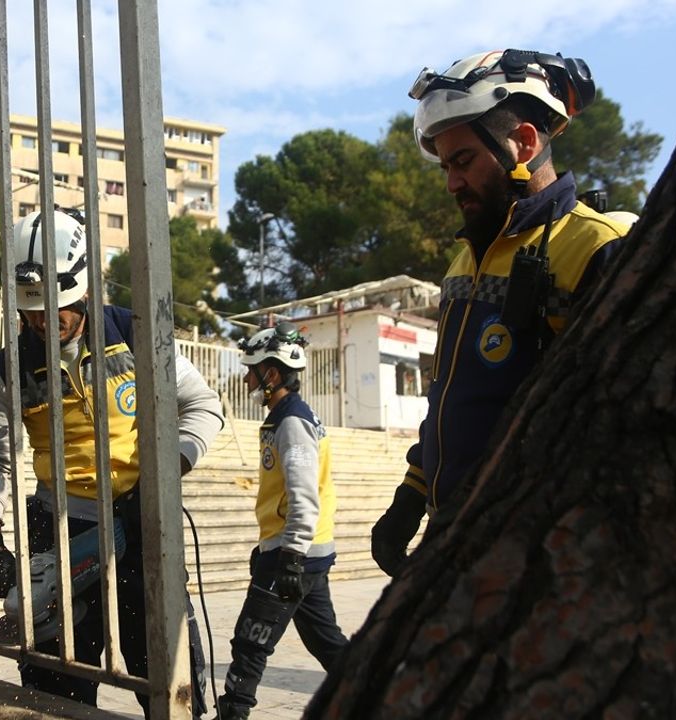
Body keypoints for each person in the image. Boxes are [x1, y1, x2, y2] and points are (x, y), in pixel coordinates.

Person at [371, 49, 630, 576]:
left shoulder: (598, 247)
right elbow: (451, 393)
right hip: (455, 536)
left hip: (538, 550)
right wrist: (412, 493)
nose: (451, 183)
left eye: (463, 161)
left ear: (526, 143)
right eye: (445, 167)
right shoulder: (463, 259)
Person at [0, 208, 224, 717]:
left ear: (82, 287)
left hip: (140, 525)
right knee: (51, 689)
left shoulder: (136, 332)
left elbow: (203, 406)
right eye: (28, 311)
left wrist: (163, 477)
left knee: (169, 683)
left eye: (53, 308)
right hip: (57, 530)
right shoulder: (7, 369)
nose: (40, 321)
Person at [214, 322, 347, 720]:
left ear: (271, 374)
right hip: (304, 552)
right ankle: (379, 696)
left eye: (252, 370)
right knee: (326, 642)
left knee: (250, 643)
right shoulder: (284, 417)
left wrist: (289, 556)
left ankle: (232, 715)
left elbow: (304, 494)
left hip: (295, 556)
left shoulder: (292, 422)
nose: (246, 377)